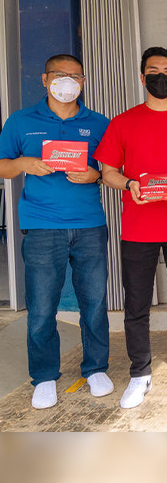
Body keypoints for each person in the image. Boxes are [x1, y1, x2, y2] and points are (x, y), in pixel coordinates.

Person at [94, 46, 167, 409]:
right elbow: (108, 172)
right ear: (142, 75)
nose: (160, 76)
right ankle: (139, 373)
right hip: (137, 229)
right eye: (152, 70)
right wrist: (130, 185)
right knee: (136, 306)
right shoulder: (123, 122)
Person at [0, 54, 112, 409]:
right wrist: (22, 164)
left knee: (93, 303)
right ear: (45, 79)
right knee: (42, 307)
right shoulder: (20, 121)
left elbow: (109, 170)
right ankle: (45, 376)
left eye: (75, 76)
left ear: (83, 81)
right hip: (42, 226)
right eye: (60, 75)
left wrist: (94, 175)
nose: (68, 82)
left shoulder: (98, 123)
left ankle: (96, 368)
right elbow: (3, 166)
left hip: (89, 225)